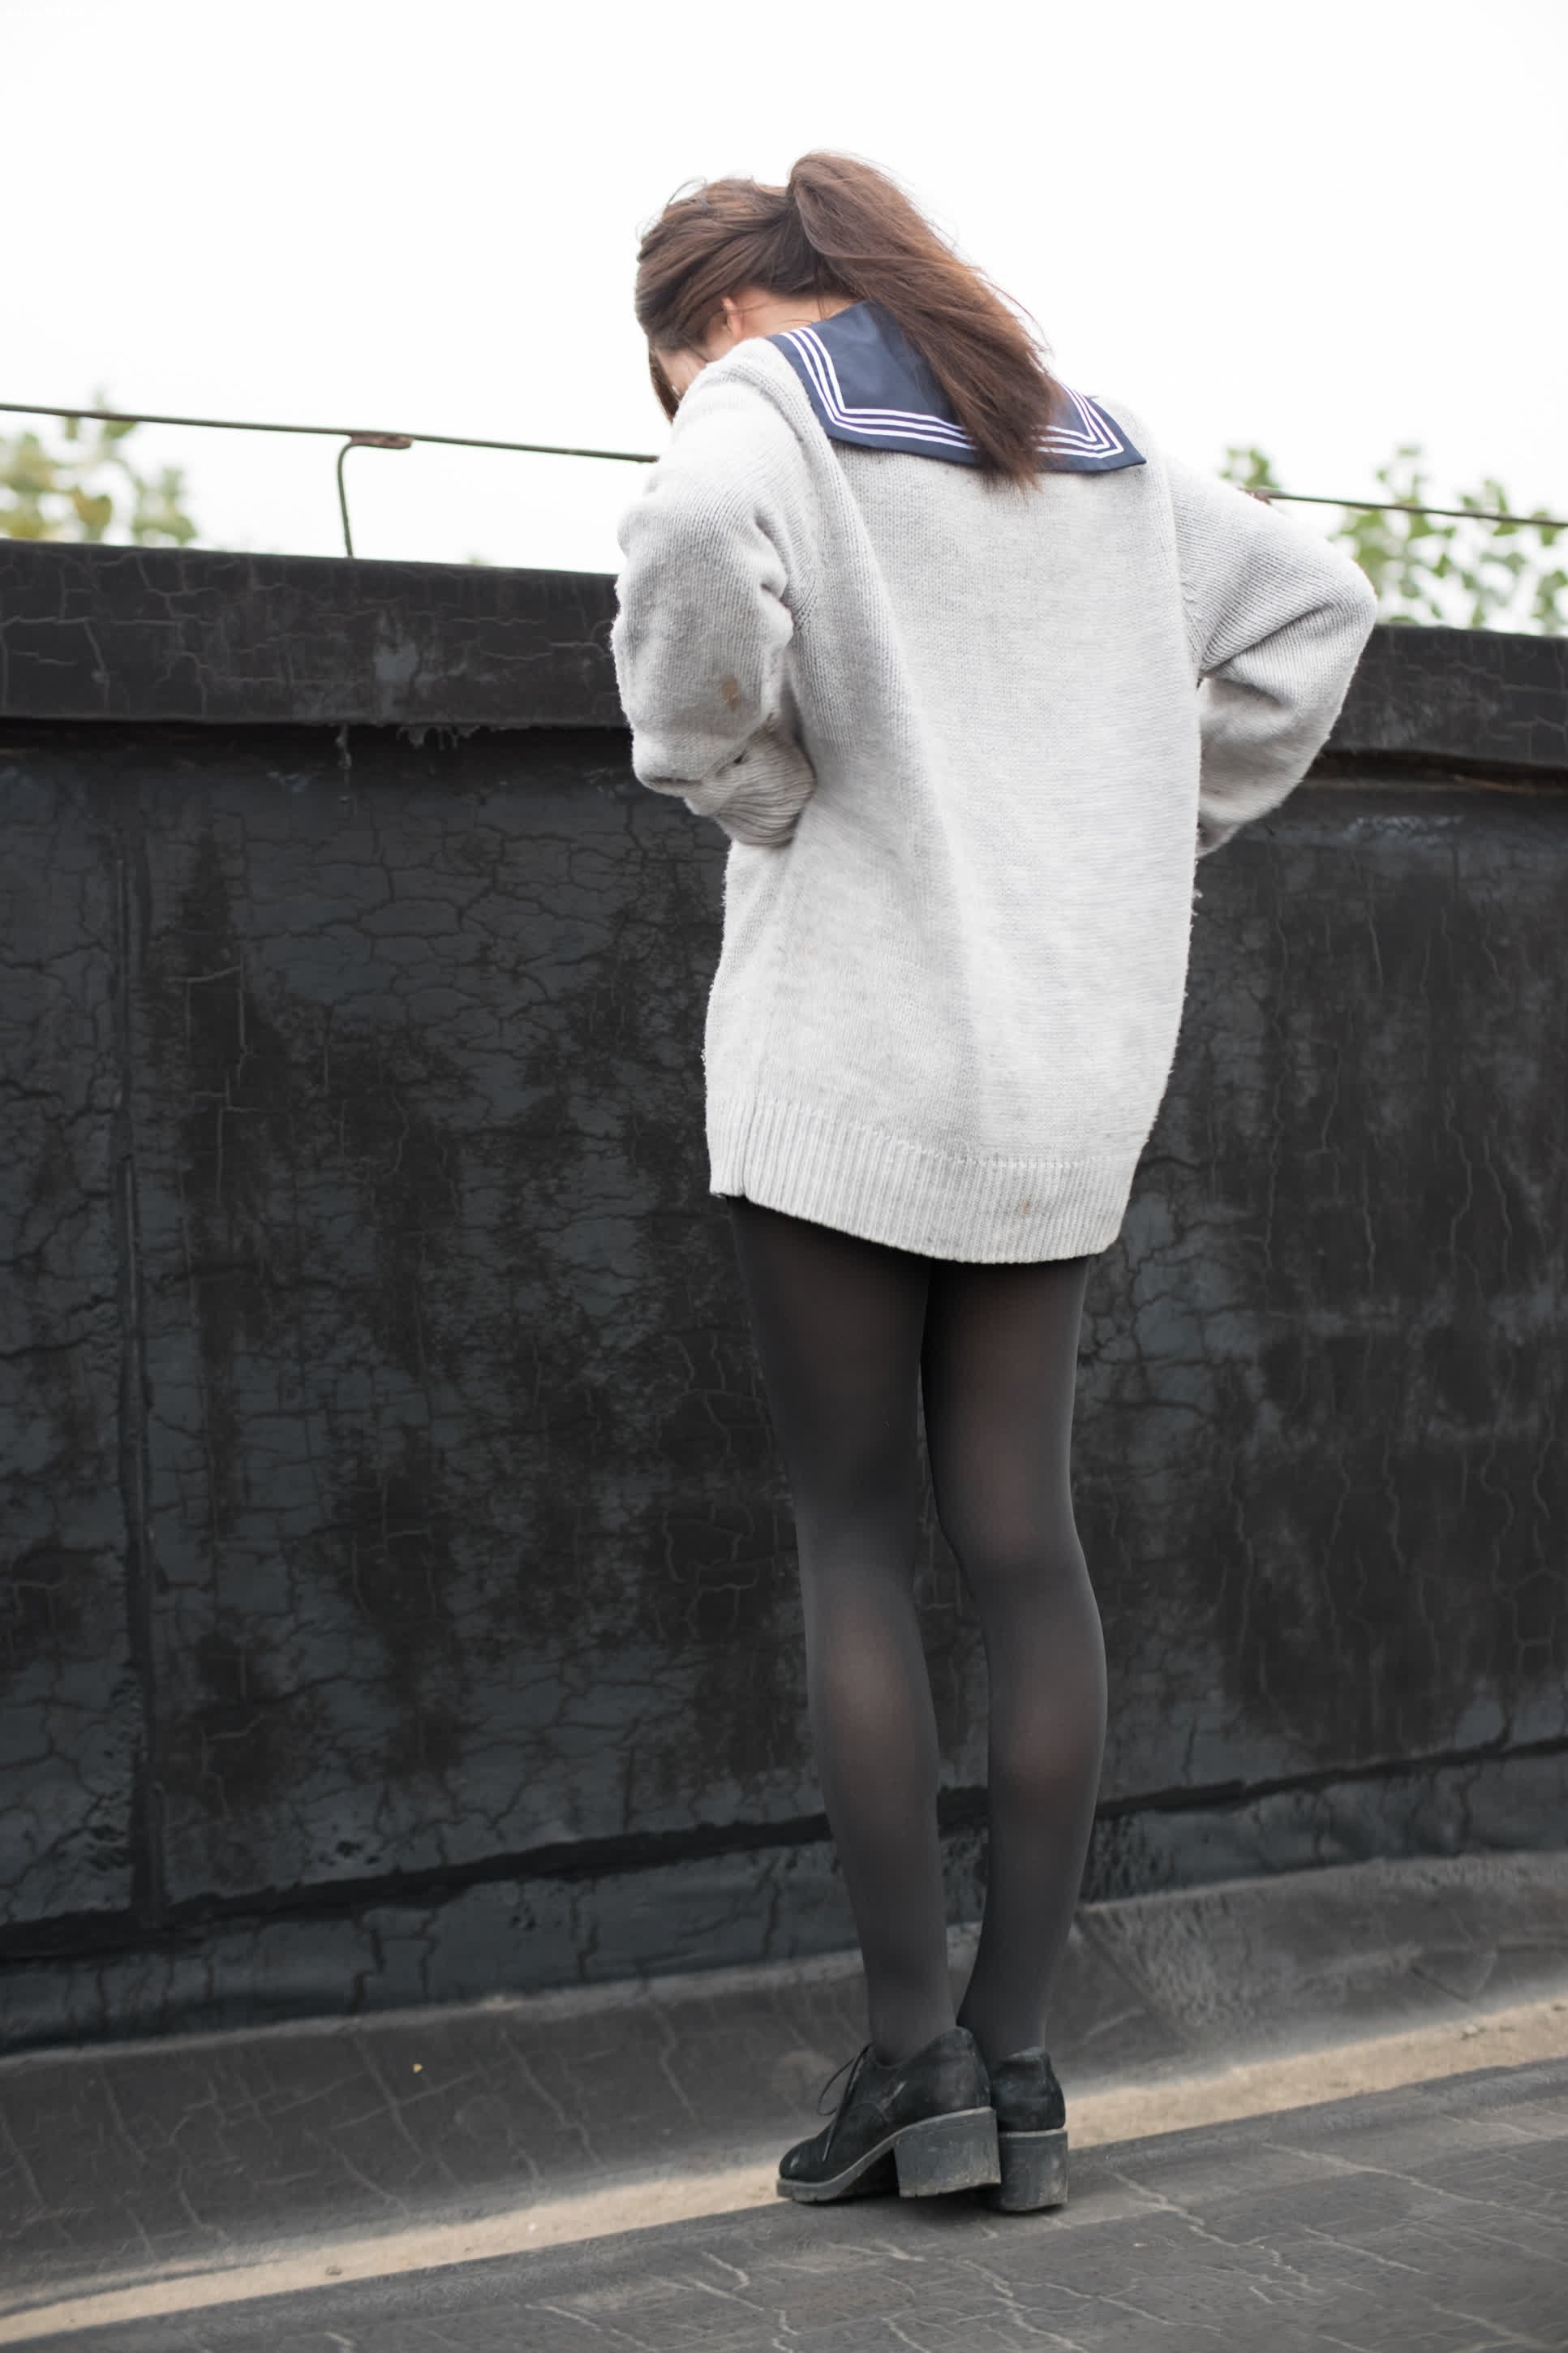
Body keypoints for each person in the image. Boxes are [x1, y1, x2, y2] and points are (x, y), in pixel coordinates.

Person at [611, 151, 1377, 2213]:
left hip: (850, 1069)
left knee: (856, 1545)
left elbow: (685, 545)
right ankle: (1020, 2069)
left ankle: (909, 2064)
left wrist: (738, 773)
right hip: (1057, 1082)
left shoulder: (761, 406)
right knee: (1027, 1548)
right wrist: (1123, 821)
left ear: (712, 320)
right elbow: (1316, 609)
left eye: (668, 369)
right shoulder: (1070, 428)